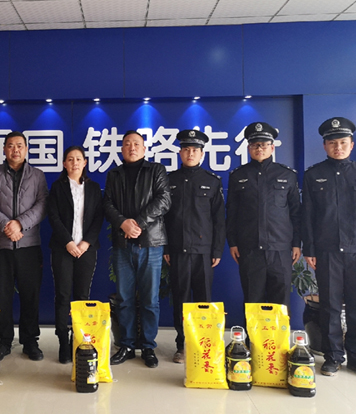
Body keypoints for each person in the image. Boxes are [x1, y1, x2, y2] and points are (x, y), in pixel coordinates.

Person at [302, 117, 356, 380]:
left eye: (342, 142)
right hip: (326, 251)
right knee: (329, 306)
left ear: (351, 145)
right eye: (332, 143)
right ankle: (333, 357)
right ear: (325, 145)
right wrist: (310, 249)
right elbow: (308, 216)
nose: (337, 147)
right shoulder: (313, 175)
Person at [103, 130, 171, 368]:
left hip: (150, 243)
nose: (132, 147)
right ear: (122, 149)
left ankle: (148, 347)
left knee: (150, 299)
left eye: (136, 144)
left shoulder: (156, 170)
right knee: (124, 298)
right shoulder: (114, 174)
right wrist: (123, 223)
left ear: (144, 149)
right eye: (127, 144)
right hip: (122, 245)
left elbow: (164, 200)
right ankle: (127, 345)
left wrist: (138, 223)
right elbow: (107, 204)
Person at [0, 131, 48, 362]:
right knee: (1, 296)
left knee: (31, 295)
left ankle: (30, 341)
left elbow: (42, 205)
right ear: (4, 149)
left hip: (29, 246)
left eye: (19, 145)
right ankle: (4, 340)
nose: (15, 150)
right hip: (1, 247)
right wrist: (6, 225)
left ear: (26, 149)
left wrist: (20, 224)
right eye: (10, 145)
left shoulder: (37, 175)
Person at [164, 129, 225, 364]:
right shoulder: (169, 180)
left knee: (203, 299)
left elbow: (219, 220)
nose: (190, 153)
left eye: (195, 150)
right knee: (180, 299)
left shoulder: (212, 181)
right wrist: (166, 248)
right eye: (186, 149)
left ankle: (202, 343)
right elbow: (164, 218)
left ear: (202, 154)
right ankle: (182, 345)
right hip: (177, 250)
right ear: (180, 153)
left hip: (204, 252)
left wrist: (217, 250)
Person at [226, 122, 301, 307]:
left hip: (280, 249)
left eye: (264, 144)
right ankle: (253, 330)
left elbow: (296, 213)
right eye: (255, 145)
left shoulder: (287, 175)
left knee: (280, 303)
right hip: (249, 249)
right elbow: (232, 212)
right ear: (249, 148)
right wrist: (233, 242)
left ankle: (279, 330)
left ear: (272, 147)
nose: (259, 148)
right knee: (253, 302)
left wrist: (296, 244)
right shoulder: (238, 176)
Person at [47, 145, 104, 364]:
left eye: (78, 159)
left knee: (82, 297)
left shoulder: (94, 188)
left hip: (87, 250)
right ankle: (63, 341)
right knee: (62, 296)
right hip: (63, 249)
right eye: (70, 159)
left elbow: (98, 218)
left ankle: (79, 341)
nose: (74, 163)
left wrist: (86, 243)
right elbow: (53, 217)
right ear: (64, 164)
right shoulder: (57, 187)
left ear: (85, 162)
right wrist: (69, 242)